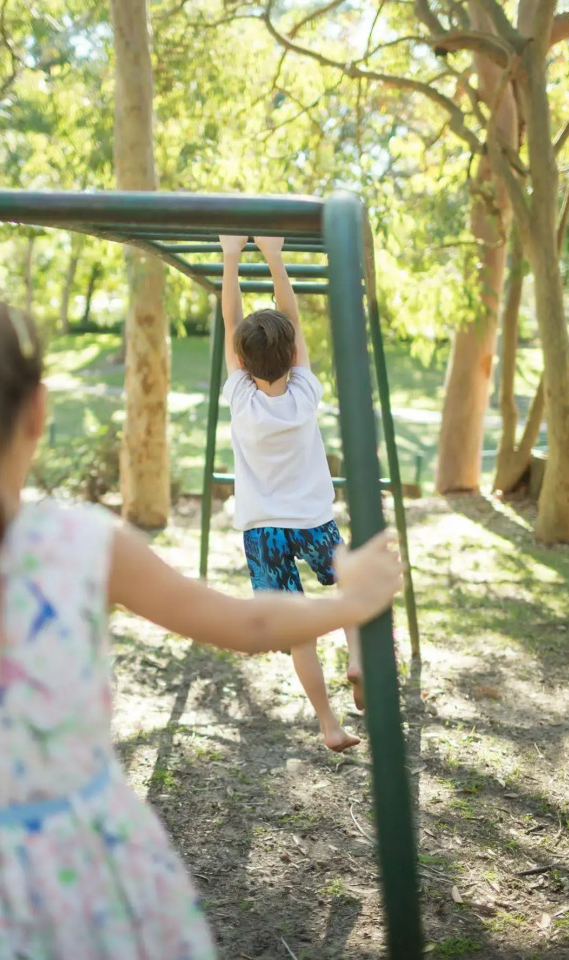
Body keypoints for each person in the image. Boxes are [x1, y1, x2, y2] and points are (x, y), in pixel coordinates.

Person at [0, 280, 401, 959]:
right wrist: (351, 603)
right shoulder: (80, 544)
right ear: (36, 412)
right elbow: (247, 625)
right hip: (78, 867)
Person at [219, 234, 367, 753]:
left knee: (297, 629)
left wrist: (231, 255)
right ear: (293, 355)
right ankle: (357, 657)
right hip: (312, 517)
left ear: (241, 356)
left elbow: (229, 318)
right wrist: (275, 256)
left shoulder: (240, 396)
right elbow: (293, 320)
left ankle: (328, 723)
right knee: (351, 583)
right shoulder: (305, 392)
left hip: (263, 529)